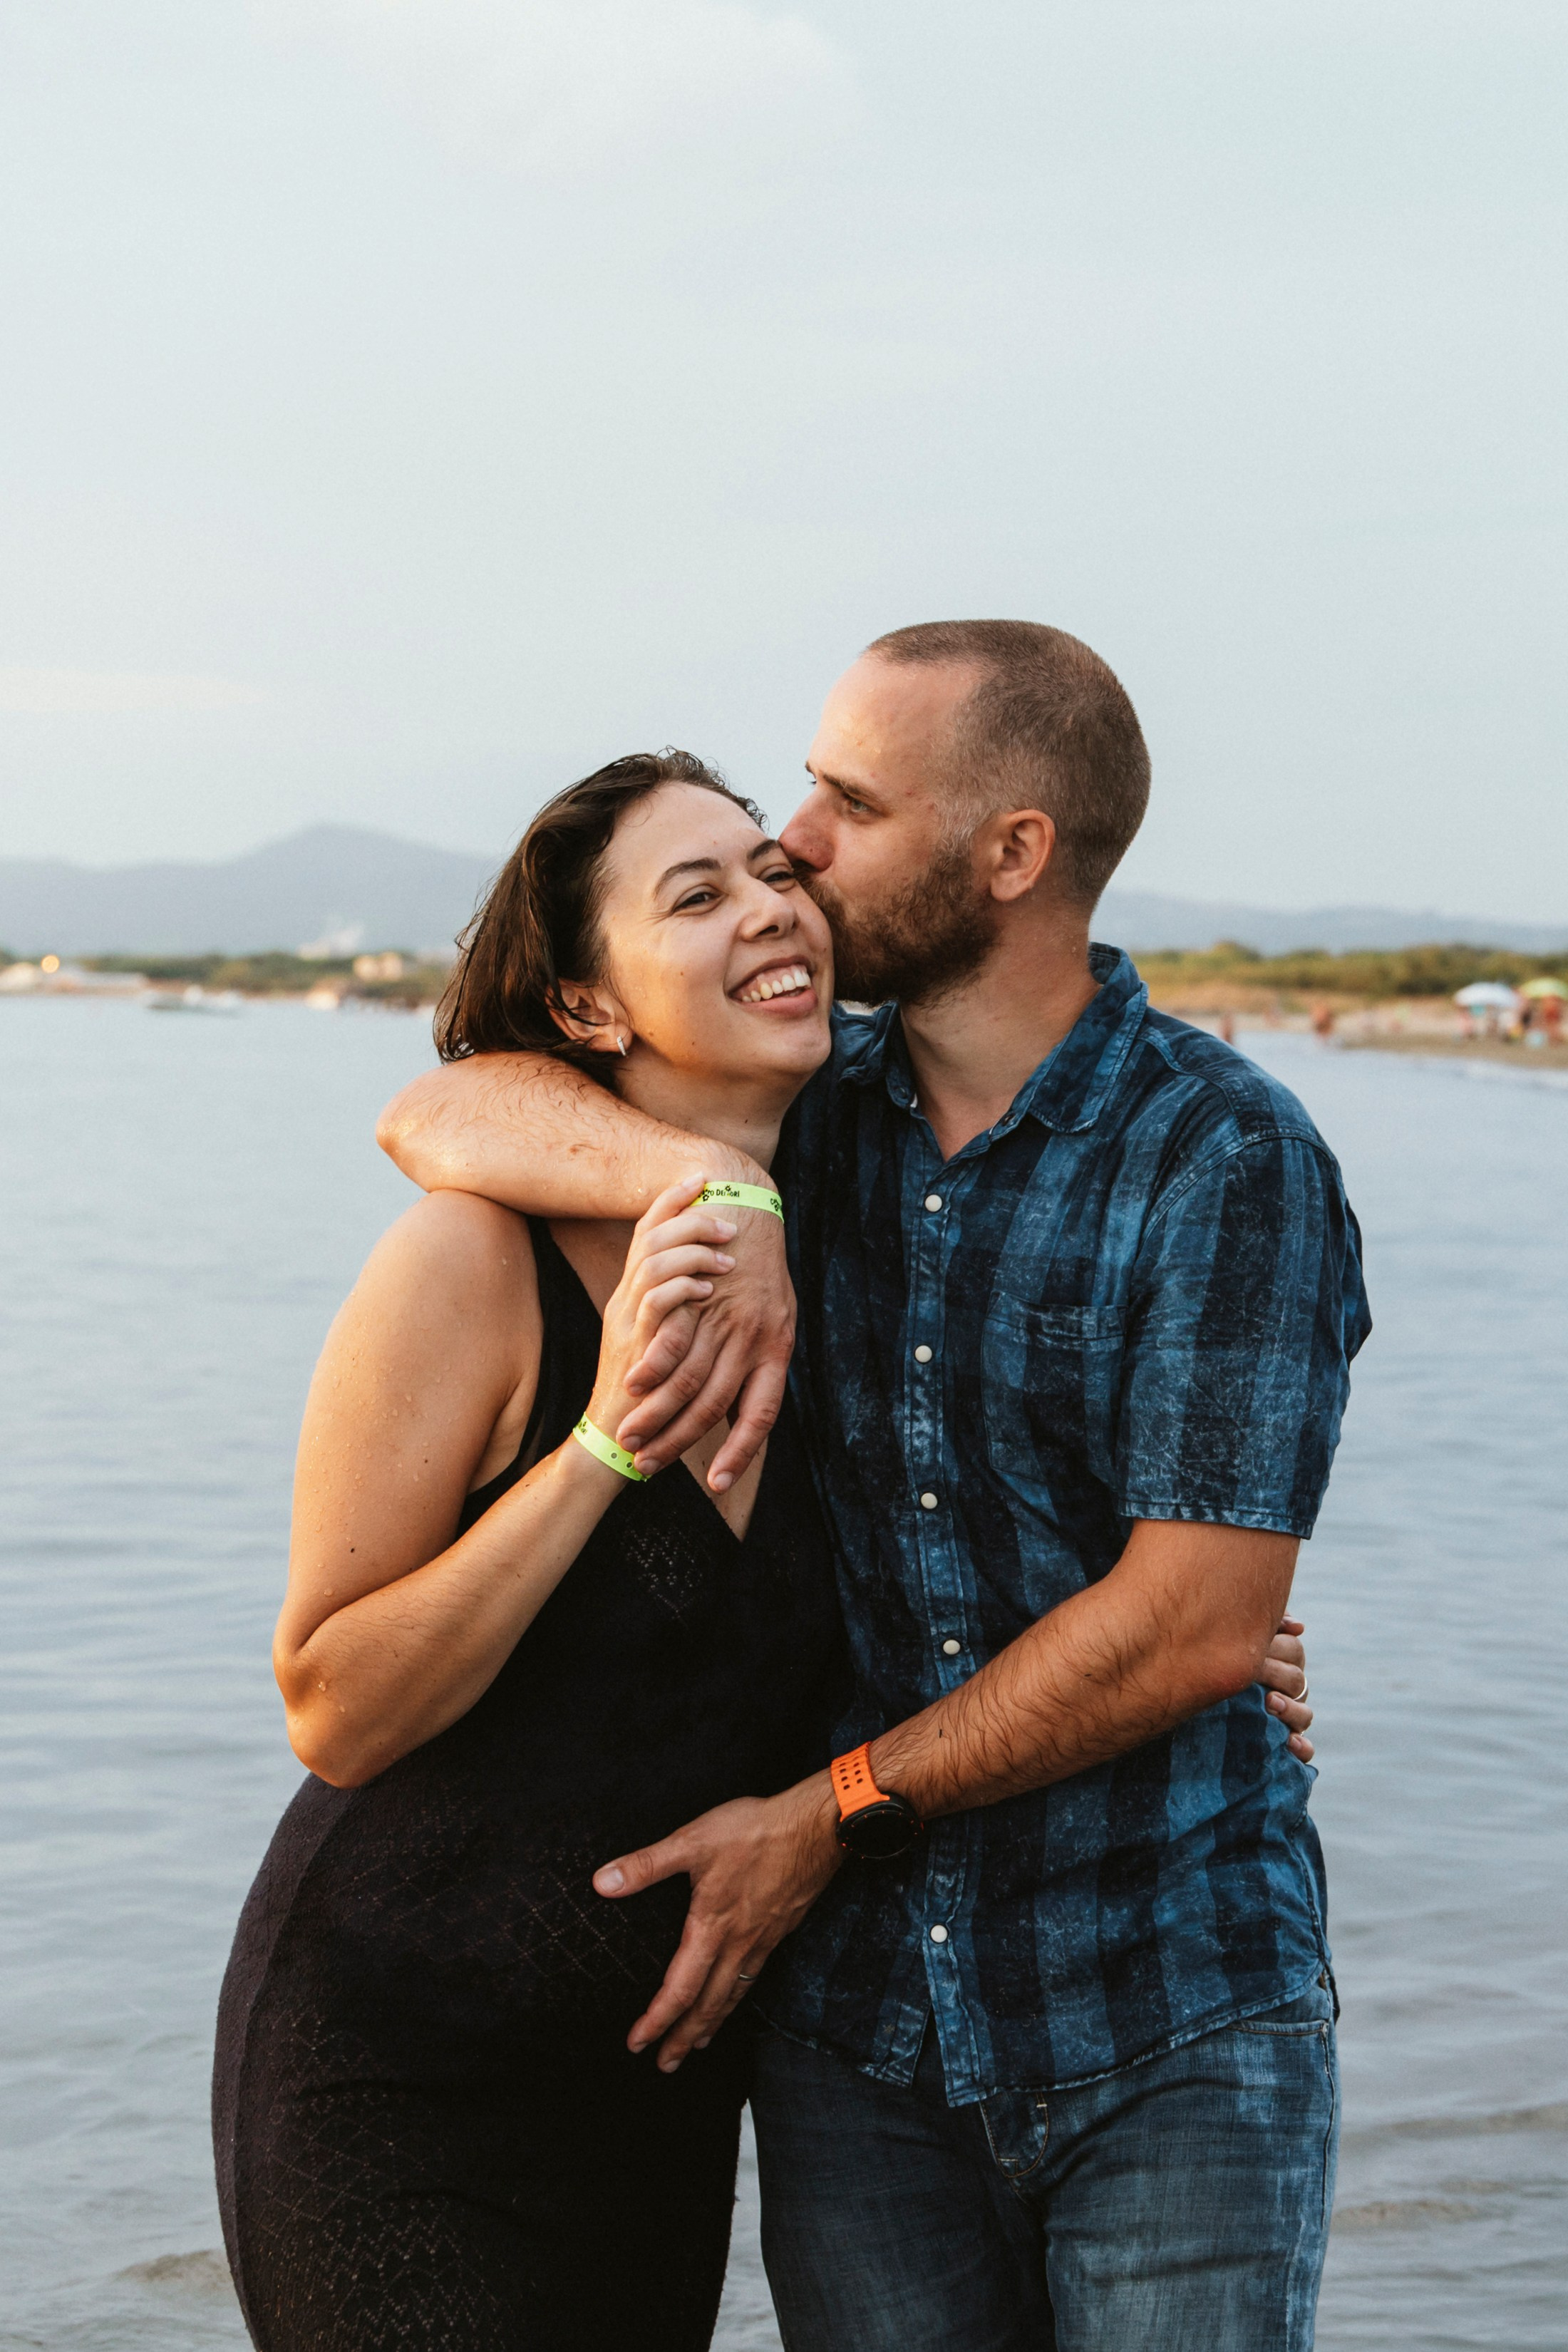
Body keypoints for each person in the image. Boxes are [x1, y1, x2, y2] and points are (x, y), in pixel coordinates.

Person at [382, 621, 1366, 2352]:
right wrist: (714, 1186)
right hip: (853, 2041)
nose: (798, 845)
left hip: (1167, 2011)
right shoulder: (798, 1116)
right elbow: (440, 1106)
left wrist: (824, 1814)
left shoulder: (1223, 1158)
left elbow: (1194, 1627)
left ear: (1010, 853)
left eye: (849, 803)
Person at [213, 752, 859, 2351]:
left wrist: (1191, 1632)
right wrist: (599, 1450)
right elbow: (333, 1708)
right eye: (696, 895)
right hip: (395, 2079)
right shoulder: (475, 1258)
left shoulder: (854, 1243)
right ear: (586, 1005)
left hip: (659, 2110)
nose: (770, 908)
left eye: (776, 872)